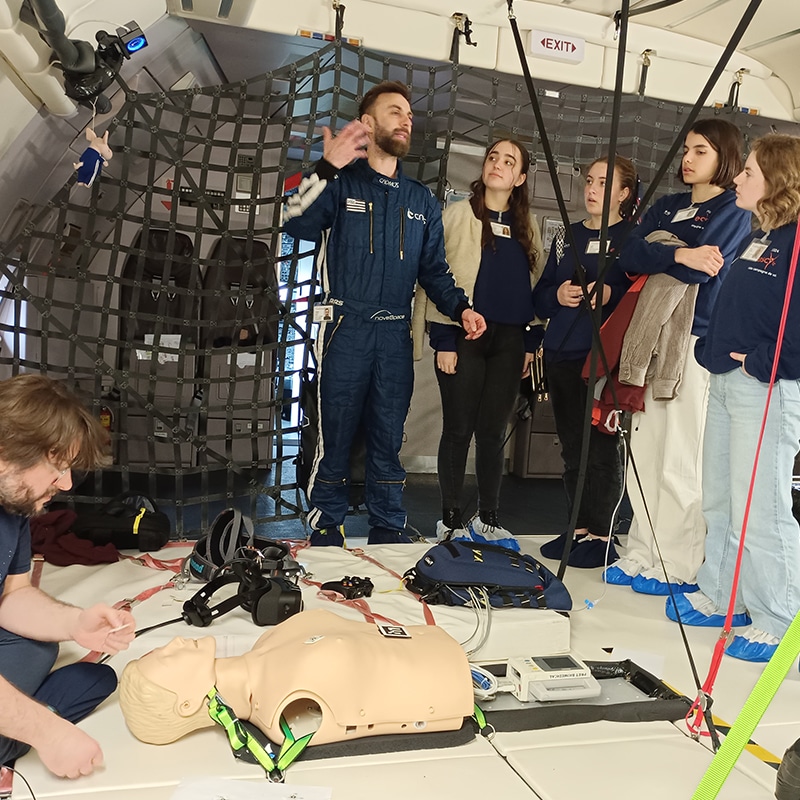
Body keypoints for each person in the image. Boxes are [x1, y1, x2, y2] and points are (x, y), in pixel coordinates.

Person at [283, 81, 486, 547]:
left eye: (409, 115)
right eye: (395, 111)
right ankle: (326, 525)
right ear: (368, 124)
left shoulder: (421, 201)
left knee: (388, 438)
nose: (406, 120)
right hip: (343, 329)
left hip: (395, 335)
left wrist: (462, 308)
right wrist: (326, 166)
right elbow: (296, 220)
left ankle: (388, 527)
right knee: (334, 435)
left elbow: (435, 270)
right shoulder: (339, 182)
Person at [603, 118, 752, 594]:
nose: (688, 159)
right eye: (686, 149)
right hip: (648, 340)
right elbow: (627, 255)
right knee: (644, 453)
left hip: (693, 341)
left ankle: (679, 563)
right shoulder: (668, 205)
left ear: (725, 158)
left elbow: (707, 269)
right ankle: (642, 550)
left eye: (700, 151)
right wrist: (677, 254)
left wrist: (666, 252)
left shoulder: (734, 210)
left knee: (680, 458)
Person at [666, 134, 800, 662]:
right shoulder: (760, 234)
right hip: (727, 382)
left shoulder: (794, 241)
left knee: (760, 509)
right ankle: (723, 595)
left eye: (749, 172)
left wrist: (764, 362)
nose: (739, 179)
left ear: (779, 180)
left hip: (767, 388)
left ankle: (779, 616)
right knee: (720, 496)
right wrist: (714, 352)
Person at [0, 374, 136, 778]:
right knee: (79, 683)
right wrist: (48, 733)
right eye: (57, 467)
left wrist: (75, 623)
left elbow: (12, 595)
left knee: (42, 647)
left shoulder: (14, 501)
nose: (67, 483)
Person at [411, 139, 544, 547]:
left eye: (509, 161)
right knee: (458, 429)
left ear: (520, 177)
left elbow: (534, 286)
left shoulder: (527, 224)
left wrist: (530, 341)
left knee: (491, 433)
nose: (498, 165)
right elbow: (436, 276)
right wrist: (446, 339)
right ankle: (449, 520)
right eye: (492, 157)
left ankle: (488, 519)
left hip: (509, 340)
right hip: (465, 335)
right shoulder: (456, 214)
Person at [119, 609, 473, 747]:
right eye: (165, 658)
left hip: (435, 644)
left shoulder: (266, 644)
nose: (174, 643)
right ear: (187, 703)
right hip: (451, 679)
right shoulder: (281, 709)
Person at [535, 156, 638, 568]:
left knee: (602, 447)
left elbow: (637, 295)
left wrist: (609, 293)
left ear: (624, 194)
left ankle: (602, 531)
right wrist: (557, 296)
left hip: (603, 361)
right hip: (562, 352)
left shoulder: (633, 239)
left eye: (604, 183)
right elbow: (540, 294)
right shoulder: (567, 236)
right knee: (572, 447)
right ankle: (577, 526)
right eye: (590, 180)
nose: (592, 189)